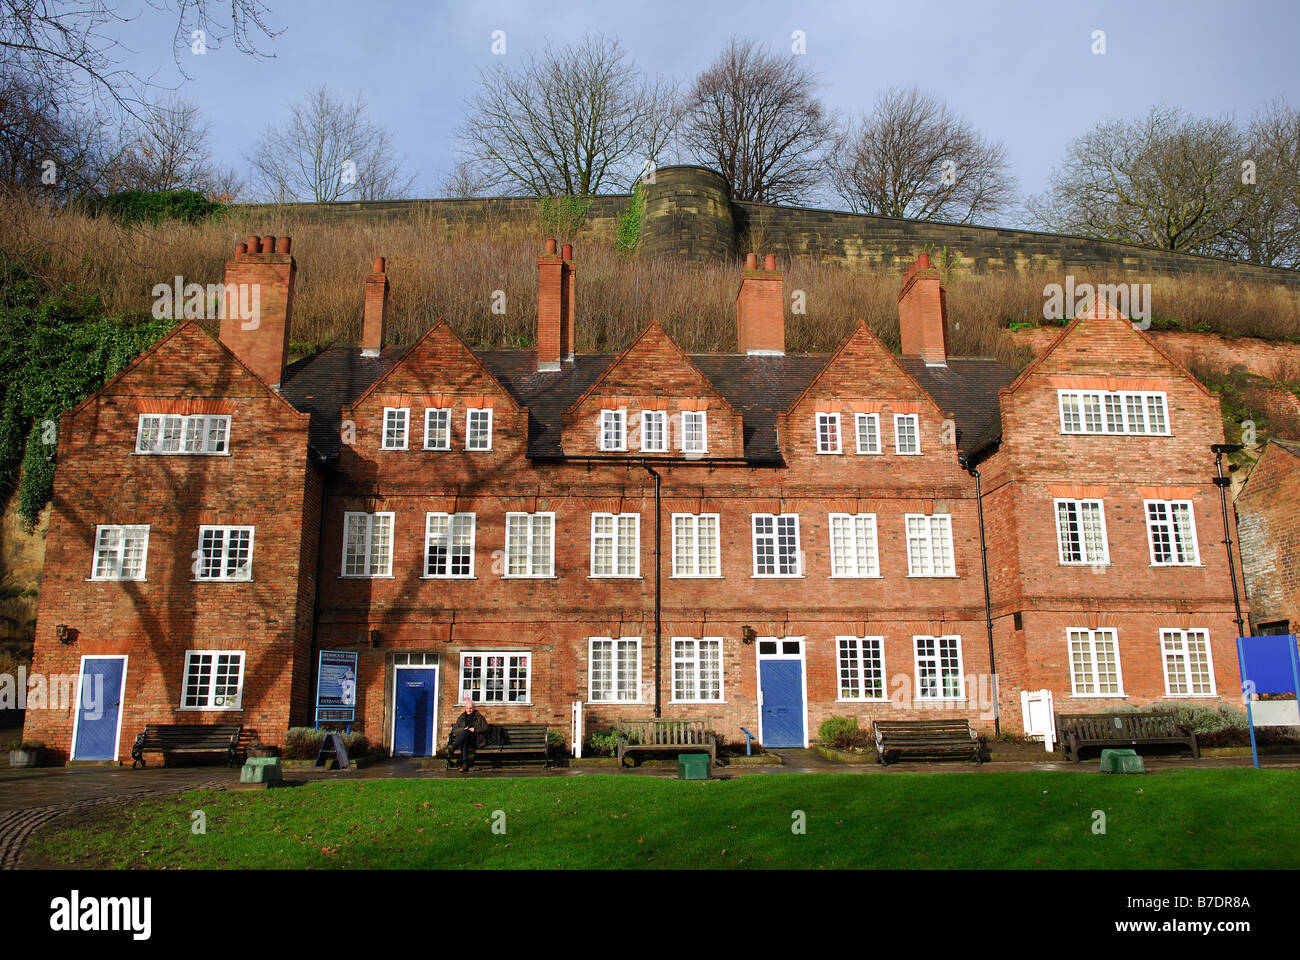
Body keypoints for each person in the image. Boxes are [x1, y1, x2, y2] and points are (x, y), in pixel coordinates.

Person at [448, 697, 489, 771]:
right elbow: (455, 730)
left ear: (474, 708)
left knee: (466, 734)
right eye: (467, 708)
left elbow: (486, 728)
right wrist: (463, 730)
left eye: (470, 708)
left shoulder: (479, 717)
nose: (469, 710)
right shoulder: (462, 717)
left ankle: (453, 748)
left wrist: (475, 729)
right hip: (465, 739)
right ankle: (465, 764)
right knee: (465, 736)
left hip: (476, 739)